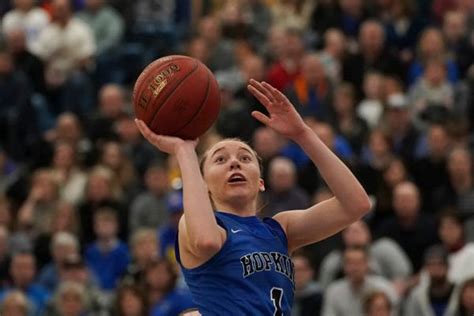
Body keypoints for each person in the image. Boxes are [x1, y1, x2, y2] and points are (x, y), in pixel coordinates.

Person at [135, 79, 371, 314]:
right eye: (220, 159)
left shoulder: (281, 229)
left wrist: (302, 135)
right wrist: (184, 152)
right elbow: (206, 241)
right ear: (203, 184)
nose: (234, 162)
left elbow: (356, 204)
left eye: (245, 158)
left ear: (260, 182)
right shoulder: (198, 226)